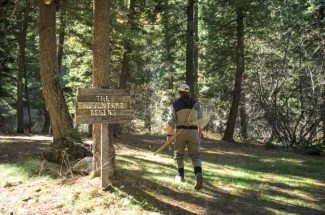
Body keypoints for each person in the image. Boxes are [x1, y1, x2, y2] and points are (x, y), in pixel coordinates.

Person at [166, 83, 203, 190]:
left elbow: (170, 122)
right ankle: (198, 174)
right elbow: (200, 120)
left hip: (180, 132)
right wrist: (200, 133)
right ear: (188, 92)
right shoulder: (196, 104)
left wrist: (169, 136)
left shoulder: (175, 104)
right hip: (193, 132)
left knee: (179, 155)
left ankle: (180, 175)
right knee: (196, 156)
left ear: (179, 92)